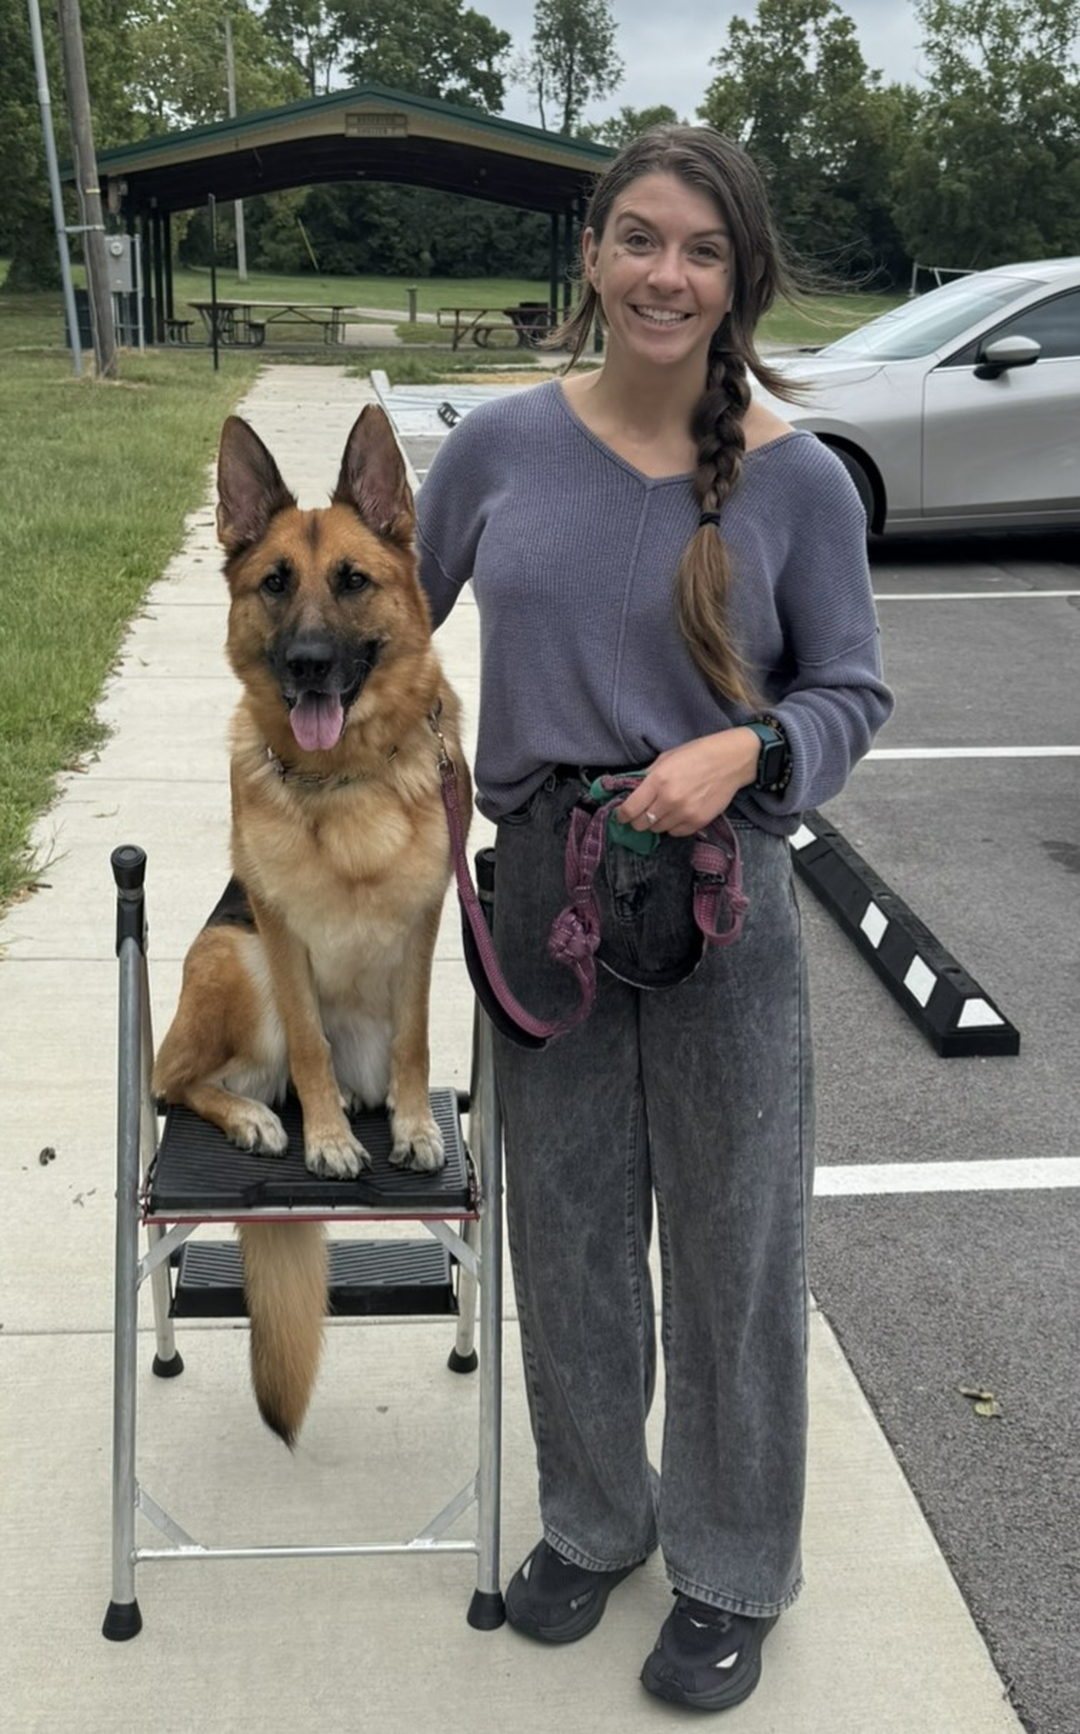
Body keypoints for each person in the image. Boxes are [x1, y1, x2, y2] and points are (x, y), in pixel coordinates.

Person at [415, 124, 893, 1713]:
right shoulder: (493, 450)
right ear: (593, 257)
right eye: (636, 238)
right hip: (542, 881)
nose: (663, 274)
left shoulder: (798, 479)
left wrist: (750, 746)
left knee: (734, 1243)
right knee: (565, 1232)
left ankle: (733, 1565)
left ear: (739, 275)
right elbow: (378, 637)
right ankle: (595, 1520)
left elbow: (851, 691)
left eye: (697, 248)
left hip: (722, 900)